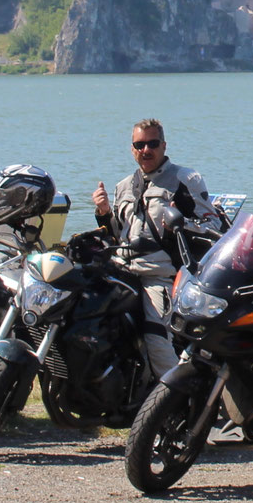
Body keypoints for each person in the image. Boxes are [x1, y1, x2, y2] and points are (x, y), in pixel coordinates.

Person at [91, 118, 218, 380]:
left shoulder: (185, 180)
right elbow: (117, 235)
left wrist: (180, 225)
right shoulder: (124, 186)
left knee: (157, 339)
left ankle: (172, 403)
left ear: (164, 145)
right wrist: (103, 213)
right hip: (122, 269)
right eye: (139, 144)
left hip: (160, 275)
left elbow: (213, 226)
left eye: (152, 143)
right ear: (132, 148)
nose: (145, 150)